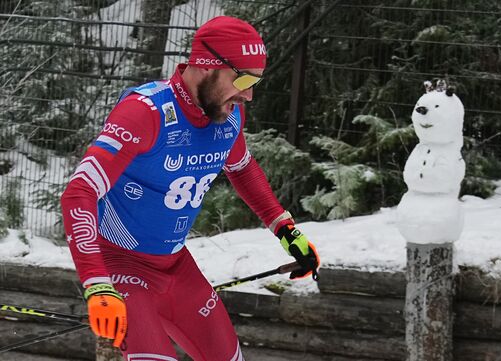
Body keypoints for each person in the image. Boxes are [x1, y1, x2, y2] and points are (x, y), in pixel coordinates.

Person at [60, 15, 320, 361]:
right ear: (206, 66)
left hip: (175, 267)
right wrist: (97, 284)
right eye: (242, 79)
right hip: (121, 265)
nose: (249, 95)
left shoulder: (226, 116)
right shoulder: (146, 112)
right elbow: (79, 192)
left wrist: (287, 231)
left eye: (256, 81)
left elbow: (242, 169)